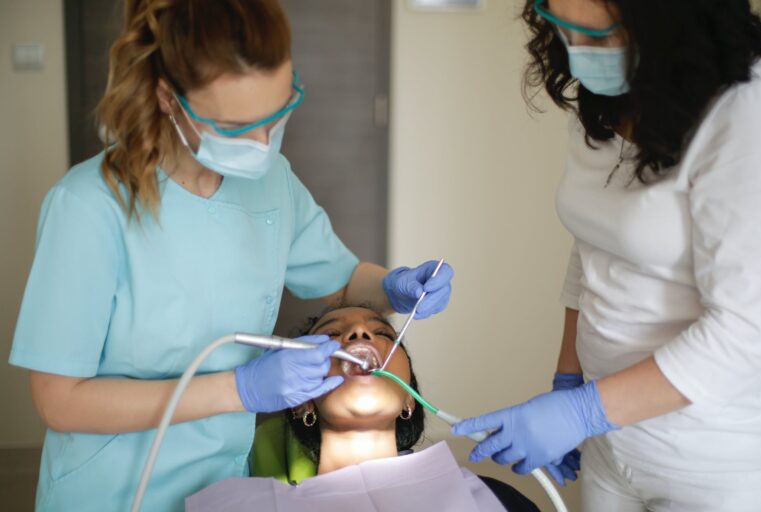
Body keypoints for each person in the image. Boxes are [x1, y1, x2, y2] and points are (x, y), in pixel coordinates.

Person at [8, 1, 453, 510]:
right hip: (113, 493)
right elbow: (59, 401)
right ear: (168, 99)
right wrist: (239, 391)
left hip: (225, 490)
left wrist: (394, 285)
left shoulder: (271, 183)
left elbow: (344, 283)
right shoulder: (89, 207)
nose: (263, 142)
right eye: (238, 126)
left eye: (278, 112)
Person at [453, 1, 761, 511]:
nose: (579, 58)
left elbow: (746, 330)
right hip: (612, 445)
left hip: (712, 461)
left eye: (599, 41)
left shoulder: (747, 110)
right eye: (567, 33)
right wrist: (568, 380)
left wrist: (583, 411)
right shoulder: (604, 101)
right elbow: (592, 247)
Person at [186, 306, 540, 512]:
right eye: (333, 334)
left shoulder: (492, 501)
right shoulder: (237, 507)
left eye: (382, 333)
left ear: (408, 401)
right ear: (302, 401)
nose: (358, 333)